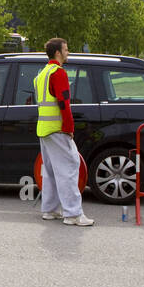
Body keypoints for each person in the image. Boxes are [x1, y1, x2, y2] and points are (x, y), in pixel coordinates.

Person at [36, 37, 93, 226]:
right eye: (66, 50)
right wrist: (69, 128)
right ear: (58, 53)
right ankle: (73, 214)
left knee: (51, 171)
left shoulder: (42, 73)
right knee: (69, 168)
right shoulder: (58, 73)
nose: (68, 53)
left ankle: (50, 210)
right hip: (58, 129)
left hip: (44, 129)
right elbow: (64, 103)